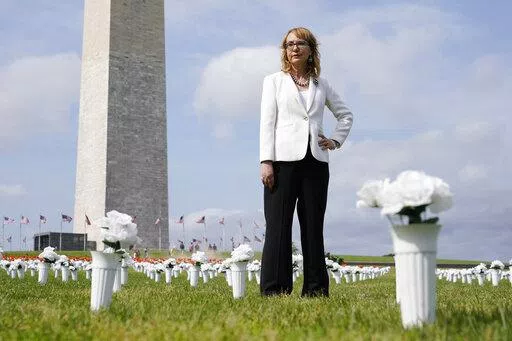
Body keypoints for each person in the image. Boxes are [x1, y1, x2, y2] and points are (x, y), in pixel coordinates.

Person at [259, 27, 353, 297]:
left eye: (300, 43)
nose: (294, 48)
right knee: (278, 226)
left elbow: (346, 115)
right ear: (285, 51)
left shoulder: (321, 84)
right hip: (281, 163)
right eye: (289, 44)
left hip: (316, 163)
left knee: (313, 227)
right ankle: (276, 288)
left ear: (311, 49)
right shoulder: (273, 82)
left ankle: (315, 289)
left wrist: (335, 140)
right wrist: (266, 161)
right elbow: (267, 123)